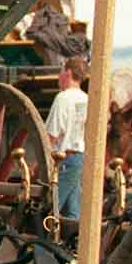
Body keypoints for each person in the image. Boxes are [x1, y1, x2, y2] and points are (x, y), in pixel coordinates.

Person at [44, 57, 90, 220]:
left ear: (68, 72)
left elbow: (52, 135)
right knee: (72, 212)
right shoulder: (87, 99)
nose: (59, 75)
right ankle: (73, 244)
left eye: (61, 71)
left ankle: (40, 246)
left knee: (50, 210)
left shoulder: (62, 98)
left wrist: (39, 163)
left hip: (64, 161)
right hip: (80, 159)